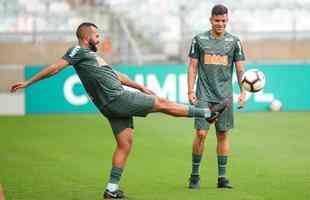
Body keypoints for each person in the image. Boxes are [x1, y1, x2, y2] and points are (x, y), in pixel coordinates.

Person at [10, 22, 229, 199]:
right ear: (86, 37)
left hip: (111, 106)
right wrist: (29, 82)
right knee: (161, 103)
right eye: (97, 35)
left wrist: (139, 86)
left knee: (125, 144)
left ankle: (111, 189)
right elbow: (54, 68)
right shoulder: (77, 51)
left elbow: (115, 76)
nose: (100, 38)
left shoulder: (93, 57)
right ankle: (207, 113)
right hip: (117, 98)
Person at [187, 4, 246, 189]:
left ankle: (222, 178)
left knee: (222, 134)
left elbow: (240, 69)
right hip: (203, 94)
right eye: (217, 20)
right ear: (211, 20)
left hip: (225, 97)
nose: (220, 24)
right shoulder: (199, 39)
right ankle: (195, 175)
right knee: (201, 133)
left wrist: (243, 91)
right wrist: (190, 90)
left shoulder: (235, 42)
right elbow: (192, 67)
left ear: (227, 20)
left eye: (223, 21)